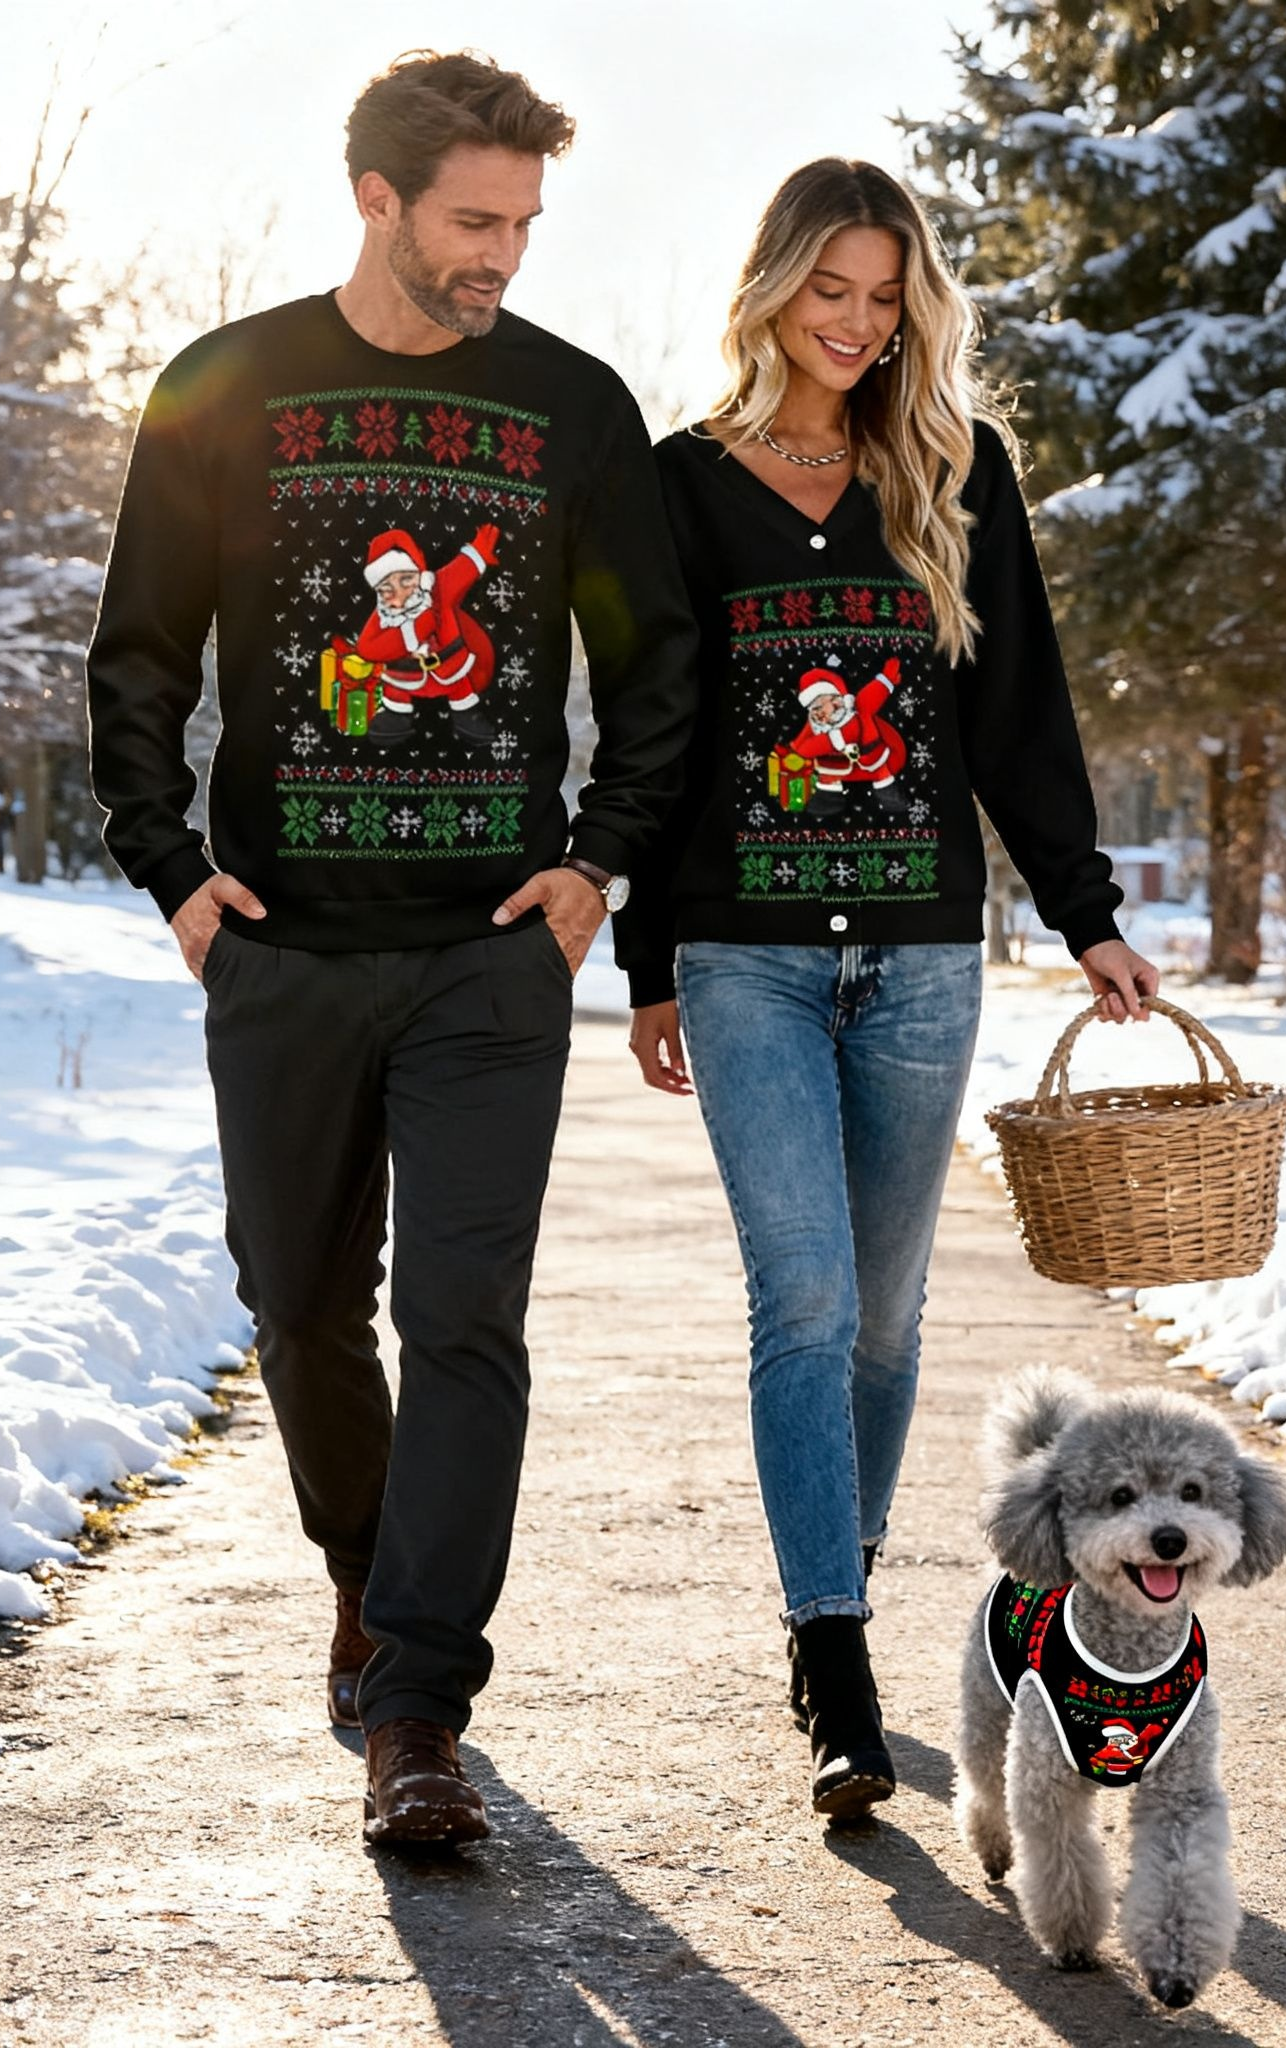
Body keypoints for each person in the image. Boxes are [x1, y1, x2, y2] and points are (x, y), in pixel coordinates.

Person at [87, 50, 696, 1848]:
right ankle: (364, 1572)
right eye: (472, 221)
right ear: (377, 199)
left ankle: (418, 1704)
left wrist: (594, 872)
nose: (503, 252)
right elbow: (138, 653)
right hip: (279, 947)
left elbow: (656, 664)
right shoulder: (227, 386)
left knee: (466, 1319)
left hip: (486, 959)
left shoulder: (573, 408)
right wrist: (176, 877)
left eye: (522, 222)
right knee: (297, 1310)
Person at [616, 159, 1159, 1822]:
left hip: (922, 957)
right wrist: (647, 952)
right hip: (747, 956)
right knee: (808, 1300)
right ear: (771, 286)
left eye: (883, 296)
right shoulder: (680, 486)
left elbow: (1019, 720)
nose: (854, 326)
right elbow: (658, 731)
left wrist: (1086, 914)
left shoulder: (957, 469)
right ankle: (832, 1650)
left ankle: (827, 1564)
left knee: (894, 1314)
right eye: (826, 291)